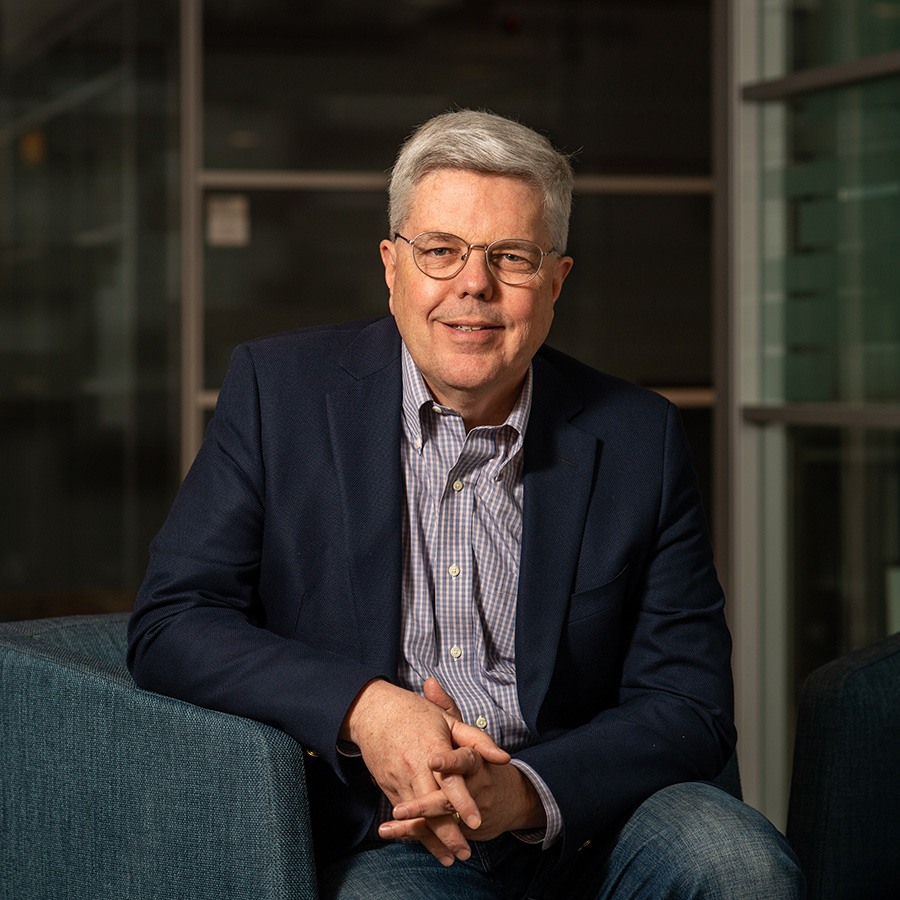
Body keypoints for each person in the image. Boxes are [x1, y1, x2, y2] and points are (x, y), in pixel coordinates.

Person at [128, 109, 804, 899]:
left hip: (589, 816)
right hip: (391, 831)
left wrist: (523, 791)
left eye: (510, 257)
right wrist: (364, 708)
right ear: (391, 267)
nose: (472, 285)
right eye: (440, 251)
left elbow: (688, 701)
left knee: (741, 868)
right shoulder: (279, 396)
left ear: (556, 281)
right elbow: (173, 620)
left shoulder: (637, 438)